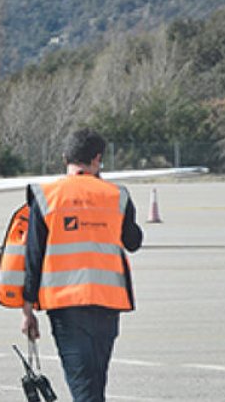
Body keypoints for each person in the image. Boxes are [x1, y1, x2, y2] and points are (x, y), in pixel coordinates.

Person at [20, 128, 142, 402]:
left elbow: (33, 256)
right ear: (98, 158)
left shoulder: (46, 196)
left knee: (84, 388)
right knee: (94, 385)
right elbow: (133, 241)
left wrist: (27, 310)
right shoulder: (117, 195)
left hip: (65, 306)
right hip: (108, 304)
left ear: (65, 157)